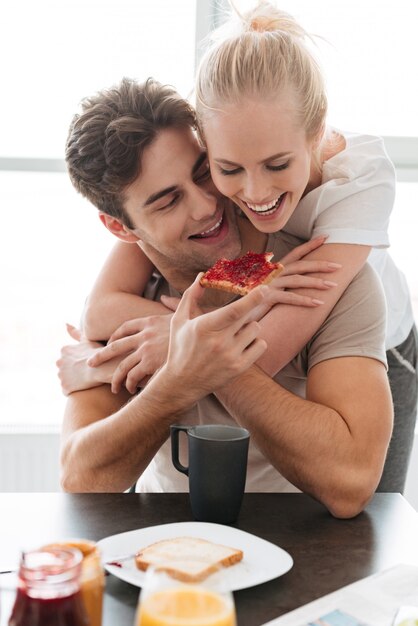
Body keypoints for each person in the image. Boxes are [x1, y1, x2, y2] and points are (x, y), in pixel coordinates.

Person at [78, 2, 417, 492]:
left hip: (386, 343)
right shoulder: (208, 188)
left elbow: (258, 358)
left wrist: (180, 340)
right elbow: (99, 312)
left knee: (376, 518)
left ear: (316, 134)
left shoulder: (358, 192)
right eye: (227, 169)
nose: (254, 194)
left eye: (277, 164)